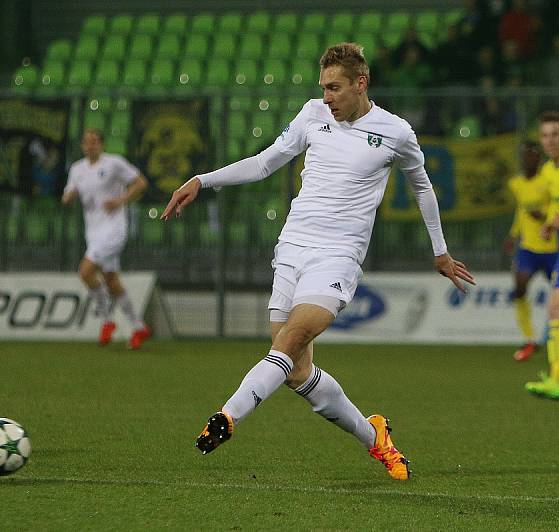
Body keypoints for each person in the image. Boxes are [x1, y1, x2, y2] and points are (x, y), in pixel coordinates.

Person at [162, 43, 475, 480]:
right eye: (323, 88)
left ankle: (227, 417)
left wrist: (439, 251)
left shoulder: (396, 131)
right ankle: (377, 438)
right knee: (296, 370)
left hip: (338, 256)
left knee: (287, 344)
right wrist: (203, 180)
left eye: (335, 88)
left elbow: (422, 188)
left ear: (360, 84)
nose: (327, 97)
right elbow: (265, 163)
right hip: (292, 248)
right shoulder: (313, 114)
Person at [62, 128, 151, 349]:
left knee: (85, 271)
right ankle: (139, 327)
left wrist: (121, 200)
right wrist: (68, 197)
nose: (90, 146)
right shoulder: (77, 169)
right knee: (111, 280)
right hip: (93, 232)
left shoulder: (114, 163)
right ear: (82, 146)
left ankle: (107, 320)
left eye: (94, 142)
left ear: (101, 144)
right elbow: (68, 195)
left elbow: (141, 182)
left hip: (114, 230)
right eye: (86, 142)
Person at [525, 111, 559, 400]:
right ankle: (557, 379)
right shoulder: (548, 171)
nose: (551, 140)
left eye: (556, 133)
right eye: (545, 135)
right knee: (557, 308)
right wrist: (548, 224)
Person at [505, 141, 558, 361]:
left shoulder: (547, 181)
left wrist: (545, 216)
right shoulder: (516, 184)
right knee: (519, 286)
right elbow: (521, 211)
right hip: (528, 248)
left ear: (539, 160)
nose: (529, 159)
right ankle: (529, 339)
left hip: (552, 247)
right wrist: (513, 234)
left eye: (533, 156)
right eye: (526, 156)